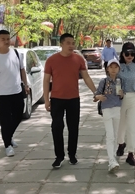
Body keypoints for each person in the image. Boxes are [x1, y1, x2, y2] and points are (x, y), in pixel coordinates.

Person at [44, 33, 98, 168]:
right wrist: (46, 100)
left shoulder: (78, 59)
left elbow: (86, 77)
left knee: (73, 128)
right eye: (68, 43)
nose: (71, 45)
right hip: (56, 99)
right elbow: (46, 80)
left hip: (73, 99)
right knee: (56, 127)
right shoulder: (51, 60)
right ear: (61, 44)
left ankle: (72, 154)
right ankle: (59, 156)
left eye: (73, 43)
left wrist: (96, 92)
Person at [0, 30, 30, 157]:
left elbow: (22, 70)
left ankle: (8, 136)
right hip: (3, 95)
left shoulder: (16, 53)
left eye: (8, 39)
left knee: (18, 116)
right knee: (5, 120)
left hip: (17, 91)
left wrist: (26, 85)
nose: (6, 41)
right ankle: (7, 145)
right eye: (3, 39)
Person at [117, 42, 135, 167]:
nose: (129, 56)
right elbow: (112, 82)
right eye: (127, 53)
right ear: (122, 54)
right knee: (120, 125)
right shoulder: (117, 67)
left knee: (132, 126)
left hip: (134, 98)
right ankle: (121, 143)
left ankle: (130, 153)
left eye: (132, 54)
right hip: (120, 100)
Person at [94, 58, 124, 172]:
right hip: (106, 109)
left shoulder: (120, 81)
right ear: (107, 69)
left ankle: (113, 158)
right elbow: (96, 95)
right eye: (111, 67)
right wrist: (99, 97)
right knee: (110, 135)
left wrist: (122, 94)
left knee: (115, 135)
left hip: (117, 109)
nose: (113, 69)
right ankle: (111, 161)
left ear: (119, 69)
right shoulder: (103, 81)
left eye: (116, 67)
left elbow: (122, 96)